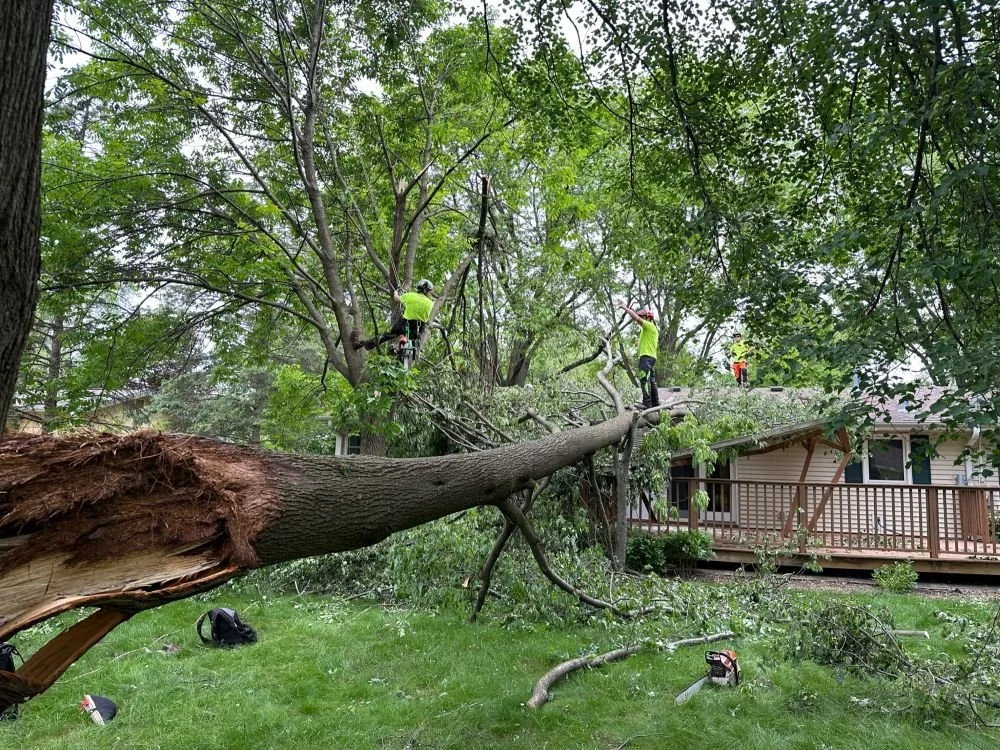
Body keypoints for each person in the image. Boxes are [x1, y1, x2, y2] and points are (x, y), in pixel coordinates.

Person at [361, 279, 434, 352]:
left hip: (403, 326)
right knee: (415, 338)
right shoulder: (431, 303)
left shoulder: (410, 295)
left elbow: (396, 298)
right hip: (417, 330)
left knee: (387, 335)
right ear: (425, 291)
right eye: (429, 291)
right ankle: (404, 345)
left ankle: (369, 345)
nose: (430, 293)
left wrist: (396, 292)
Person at [619, 302, 659, 408]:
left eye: (642, 317)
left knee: (644, 379)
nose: (640, 319)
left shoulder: (649, 326)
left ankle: (647, 404)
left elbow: (636, 318)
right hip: (651, 357)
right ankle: (655, 404)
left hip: (646, 358)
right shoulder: (649, 330)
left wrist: (625, 308)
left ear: (648, 317)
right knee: (651, 381)